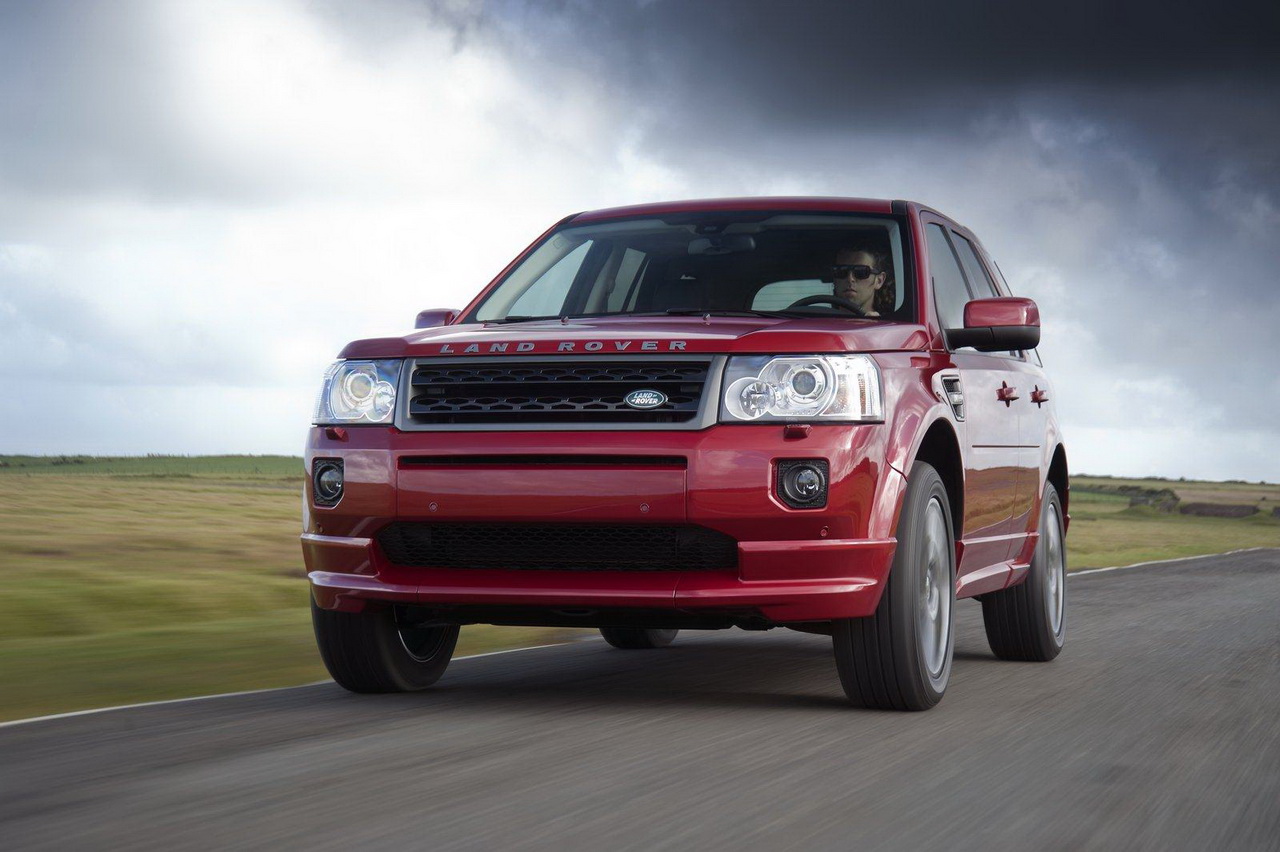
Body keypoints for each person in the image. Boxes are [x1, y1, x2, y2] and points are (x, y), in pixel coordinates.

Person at [832, 248, 888, 317]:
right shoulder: (820, 322)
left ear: (879, 281)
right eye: (841, 271)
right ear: (834, 279)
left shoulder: (890, 326)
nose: (850, 279)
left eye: (861, 272)